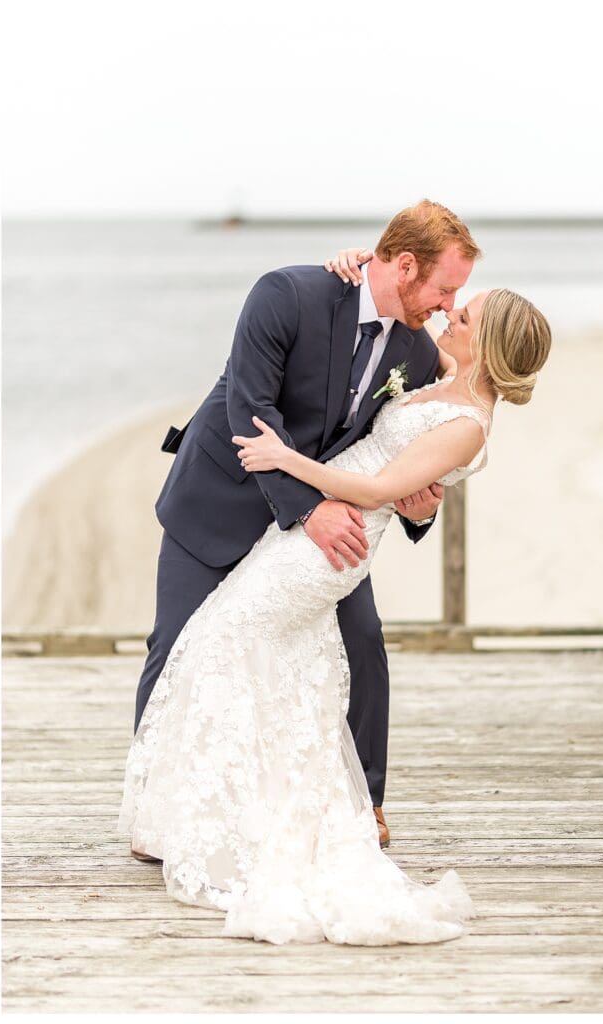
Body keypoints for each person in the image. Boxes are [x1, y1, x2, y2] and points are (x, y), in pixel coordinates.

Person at [116, 285, 552, 945]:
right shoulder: (445, 386)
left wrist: (285, 461)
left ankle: (229, 822)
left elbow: (380, 487)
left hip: (332, 544)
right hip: (305, 531)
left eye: (463, 318)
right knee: (254, 659)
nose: (449, 317)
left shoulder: (467, 424)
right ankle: (211, 813)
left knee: (224, 640)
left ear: (485, 347)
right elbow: (396, 469)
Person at [131, 200, 480, 857]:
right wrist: (308, 508)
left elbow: (408, 445)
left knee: (364, 644)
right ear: (404, 266)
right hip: (225, 494)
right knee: (176, 644)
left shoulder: (418, 351)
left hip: (324, 523)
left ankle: (365, 804)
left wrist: (420, 507)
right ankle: (157, 805)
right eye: (444, 287)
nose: (447, 303)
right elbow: (249, 406)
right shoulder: (287, 294)